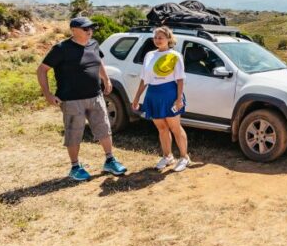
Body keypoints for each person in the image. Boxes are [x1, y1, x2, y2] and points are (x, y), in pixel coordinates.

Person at [37, 16, 127, 181]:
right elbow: (42, 70)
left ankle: (109, 160)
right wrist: (48, 94)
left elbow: (98, 61)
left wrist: (105, 79)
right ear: (73, 30)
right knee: (74, 133)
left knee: (104, 128)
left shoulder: (93, 44)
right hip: (71, 100)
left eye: (91, 28)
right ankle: (75, 167)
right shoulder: (61, 48)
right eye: (86, 29)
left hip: (95, 96)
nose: (89, 32)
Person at [131, 26, 190, 172]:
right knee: (161, 128)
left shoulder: (175, 56)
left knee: (175, 127)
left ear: (168, 39)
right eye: (156, 37)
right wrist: (137, 97)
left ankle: (184, 157)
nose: (157, 40)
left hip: (170, 93)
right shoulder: (149, 55)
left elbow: (180, 79)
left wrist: (178, 99)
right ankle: (168, 156)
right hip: (153, 94)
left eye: (161, 37)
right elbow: (144, 78)